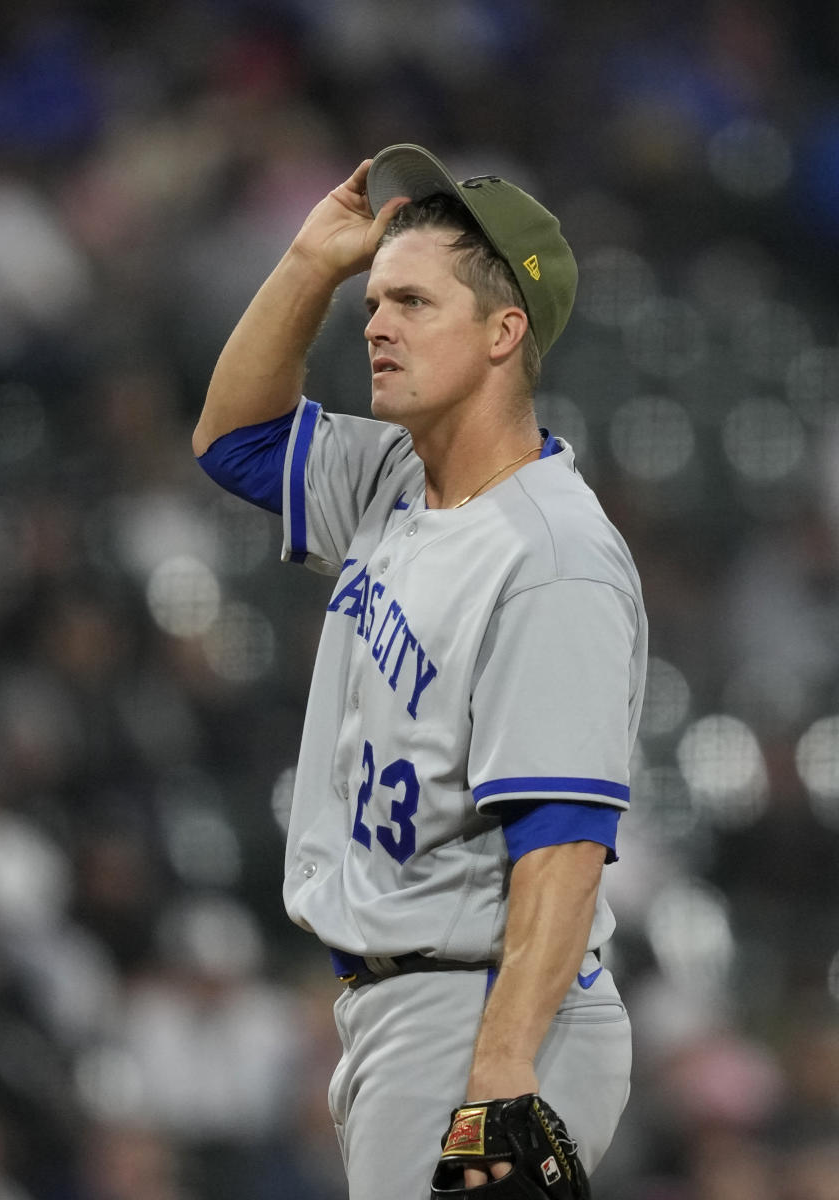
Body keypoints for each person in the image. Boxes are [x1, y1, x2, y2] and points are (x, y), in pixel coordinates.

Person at [193, 143, 647, 1200]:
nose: (375, 324)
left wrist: (502, 1074)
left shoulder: (552, 558)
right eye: (373, 301)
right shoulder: (402, 474)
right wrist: (311, 263)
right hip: (414, 1009)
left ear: (504, 332)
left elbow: (565, 839)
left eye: (411, 302)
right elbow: (234, 440)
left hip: (485, 1013)